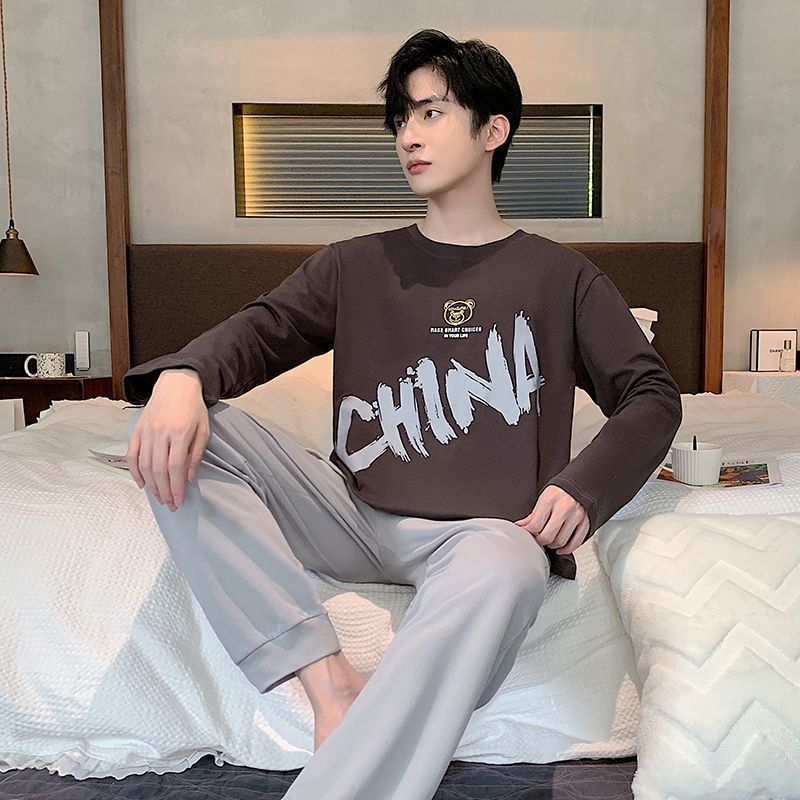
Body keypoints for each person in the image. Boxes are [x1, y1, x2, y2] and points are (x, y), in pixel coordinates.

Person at [124, 28, 682, 800]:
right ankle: (330, 685)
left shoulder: (562, 276)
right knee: (177, 429)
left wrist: (586, 488)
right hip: (349, 510)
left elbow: (651, 397)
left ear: (494, 129)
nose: (409, 136)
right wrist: (184, 376)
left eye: (431, 113)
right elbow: (260, 330)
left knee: (509, 567)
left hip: (482, 535)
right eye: (402, 119)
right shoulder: (355, 263)